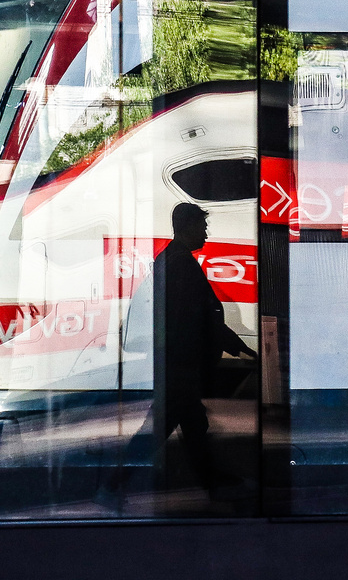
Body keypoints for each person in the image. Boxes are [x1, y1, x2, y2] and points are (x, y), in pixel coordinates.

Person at [107, 202, 256, 502]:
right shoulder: (181, 265)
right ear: (186, 227)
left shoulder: (170, 260)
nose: (206, 233)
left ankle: (211, 483)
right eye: (201, 226)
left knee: (192, 425)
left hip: (173, 362)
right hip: (179, 363)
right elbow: (197, 316)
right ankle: (111, 486)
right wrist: (235, 344)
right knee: (160, 429)